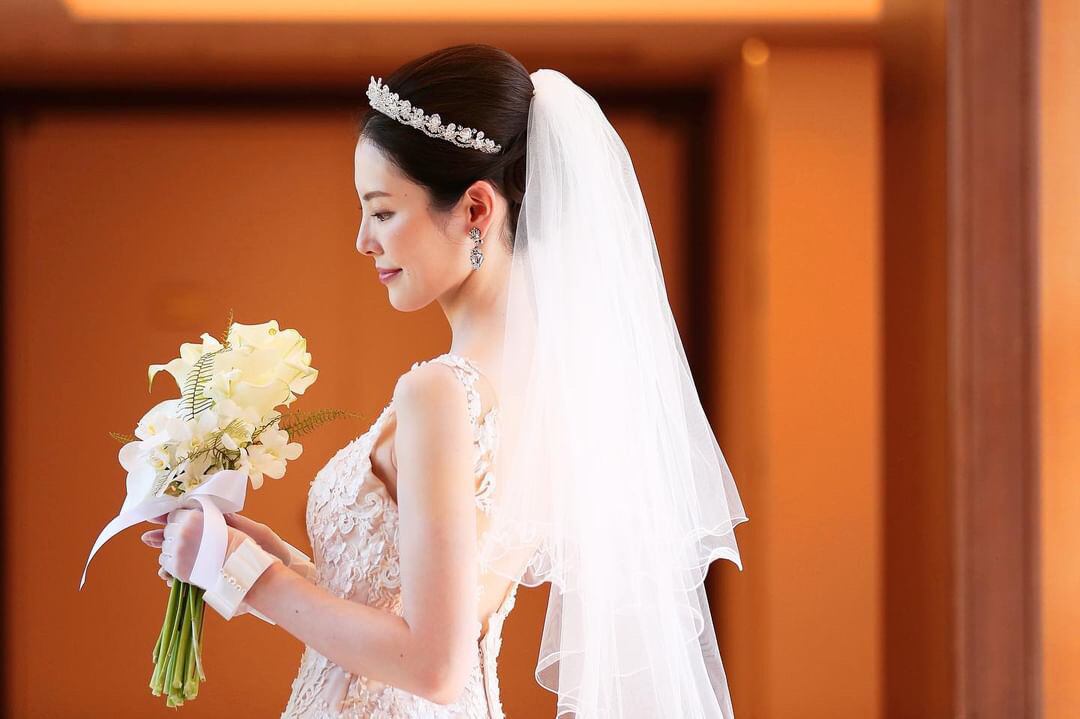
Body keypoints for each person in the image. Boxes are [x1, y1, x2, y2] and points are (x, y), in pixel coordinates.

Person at [143, 43, 749, 719]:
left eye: (382, 211)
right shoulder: (545, 391)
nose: (363, 240)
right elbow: (413, 615)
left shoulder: (441, 393)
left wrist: (249, 574)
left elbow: (432, 664)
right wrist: (261, 559)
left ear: (475, 210)